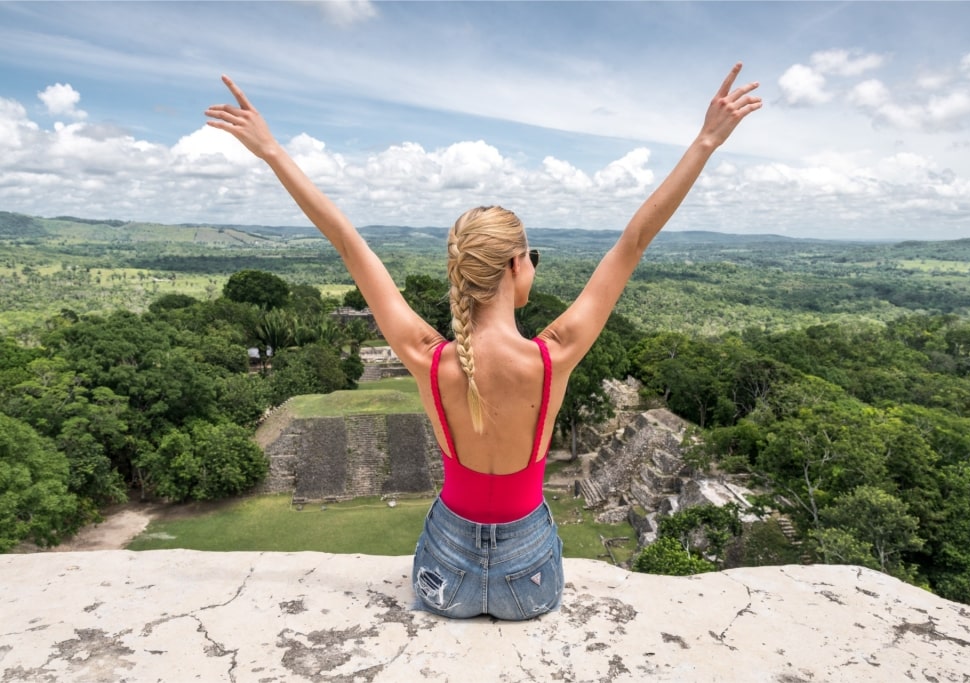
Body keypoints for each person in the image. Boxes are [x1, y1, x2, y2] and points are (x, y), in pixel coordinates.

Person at [205, 63, 761, 620]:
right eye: (532, 259)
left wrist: (273, 151)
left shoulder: (429, 358)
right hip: (531, 578)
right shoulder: (553, 356)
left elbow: (348, 243)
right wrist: (707, 140)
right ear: (518, 265)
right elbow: (634, 240)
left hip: (445, 575)